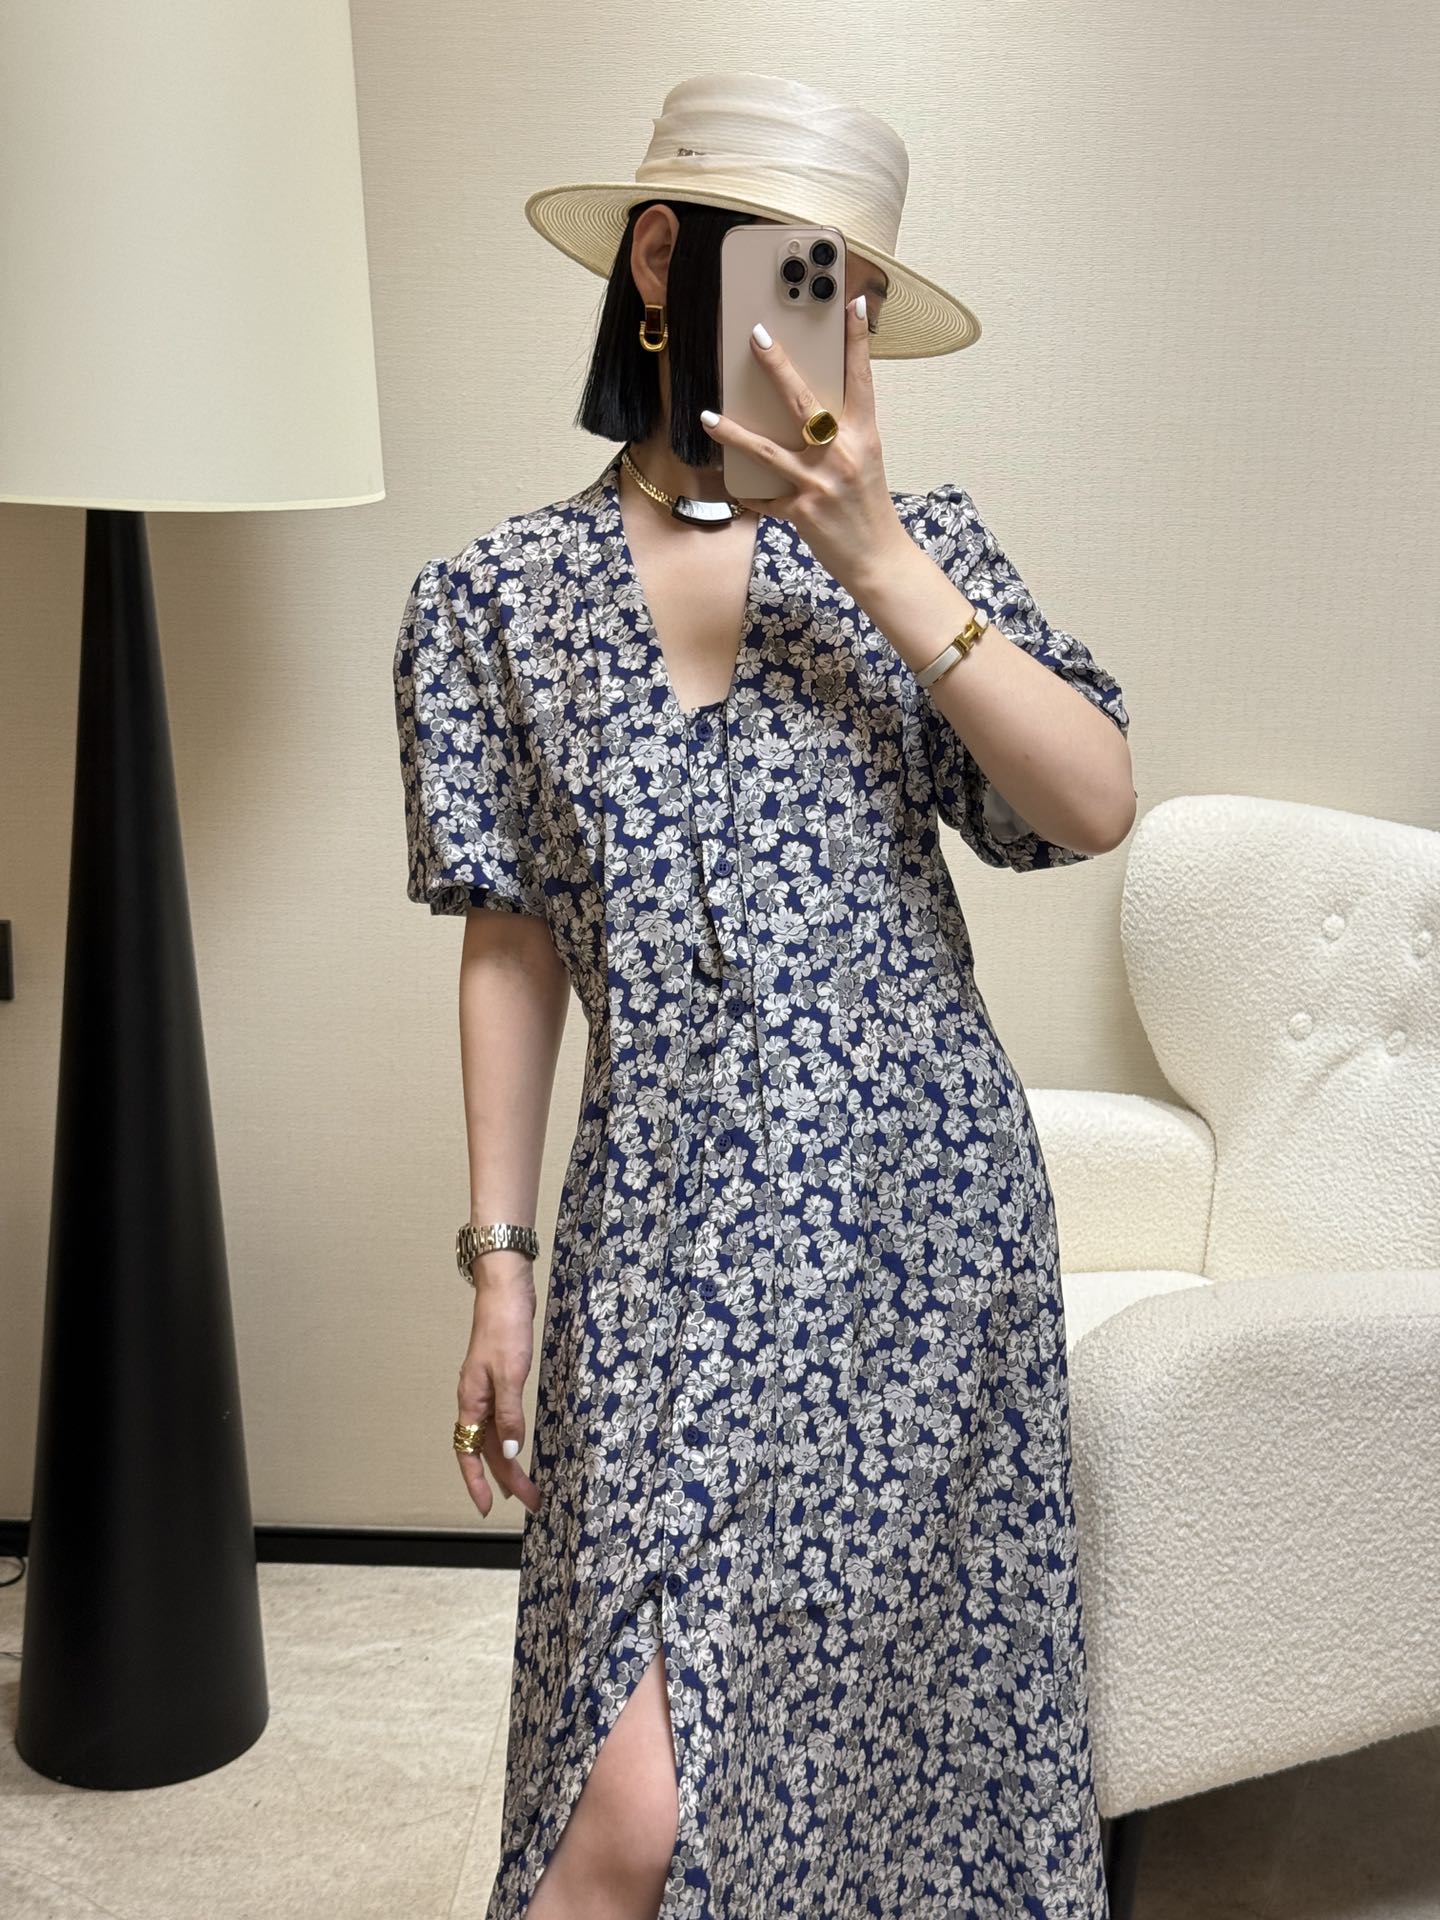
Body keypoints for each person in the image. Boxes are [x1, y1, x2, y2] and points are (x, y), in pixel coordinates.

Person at [392, 69, 1135, 1920]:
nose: (835, 333)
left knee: (870, 1764)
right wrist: (500, 1260)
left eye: (860, 300)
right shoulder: (492, 602)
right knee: (626, 1804)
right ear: (663, 263)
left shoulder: (915, 557)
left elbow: (1093, 800)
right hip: (656, 1236)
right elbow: (512, 937)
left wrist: (875, 552)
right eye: (805, 279)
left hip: (915, 1234)